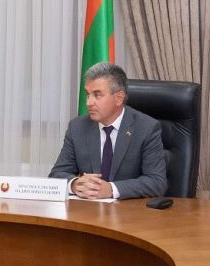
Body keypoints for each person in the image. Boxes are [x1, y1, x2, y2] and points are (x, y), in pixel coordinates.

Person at [49, 62, 167, 200]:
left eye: (97, 95)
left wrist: (111, 189)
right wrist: (75, 184)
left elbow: (156, 182)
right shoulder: (77, 127)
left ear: (119, 98)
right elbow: (57, 174)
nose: (89, 102)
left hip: (128, 211)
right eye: (88, 95)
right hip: (87, 209)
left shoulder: (146, 128)